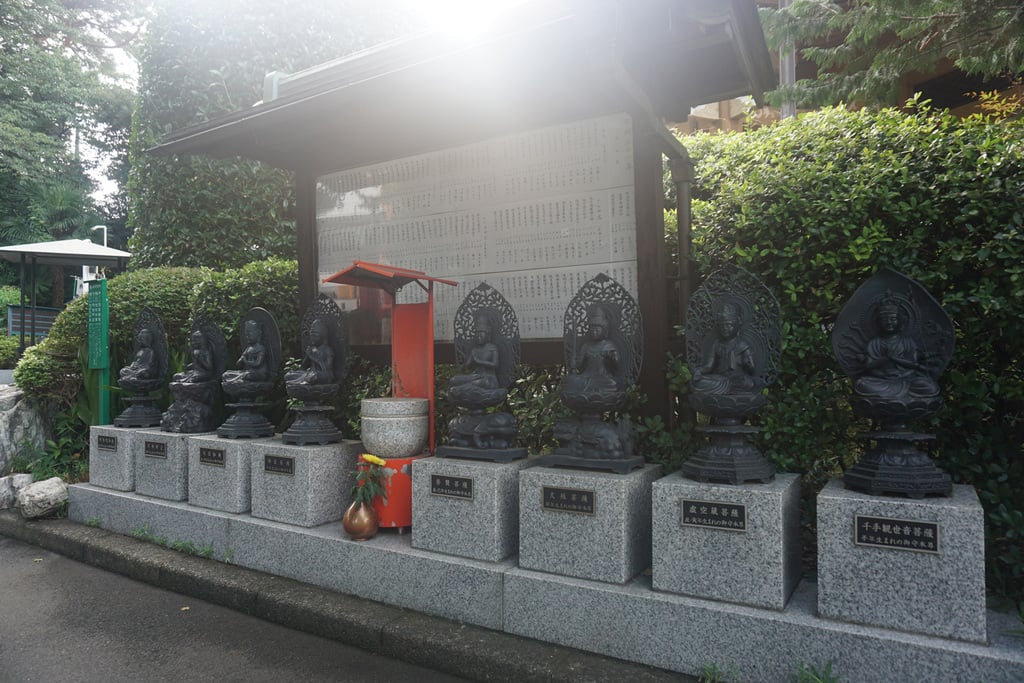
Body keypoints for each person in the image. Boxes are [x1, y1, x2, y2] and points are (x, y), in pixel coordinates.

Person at [854, 296, 938, 399]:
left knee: (929, 386)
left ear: (900, 320)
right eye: (885, 319)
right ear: (878, 322)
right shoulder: (875, 343)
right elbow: (869, 367)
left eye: (893, 319)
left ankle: (893, 397)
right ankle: (895, 397)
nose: (889, 322)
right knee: (862, 384)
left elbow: (914, 364)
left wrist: (895, 360)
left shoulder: (907, 342)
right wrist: (885, 360)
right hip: (882, 380)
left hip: (907, 379)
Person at [691, 302, 759, 396]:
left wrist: (745, 363)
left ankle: (726, 389)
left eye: (729, 325)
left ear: (737, 324)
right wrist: (699, 371)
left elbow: (753, 369)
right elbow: (708, 367)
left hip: (737, 379)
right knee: (699, 382)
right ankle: (725, 389)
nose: (725, 329)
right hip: (720, 379)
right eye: (722, 325)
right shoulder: (716, 344)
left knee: (749, 384)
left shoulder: (742, 345)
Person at [285, 318, 334, 385]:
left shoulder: (327, 350)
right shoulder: (312, 349)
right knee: (288, 375)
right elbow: (303, 367)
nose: (312, 338)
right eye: (311, 335)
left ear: (323, 335)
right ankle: (302, 380)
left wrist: (312, 356)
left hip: (322, 375)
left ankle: (301, 381)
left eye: (315, 335)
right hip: (310, 373)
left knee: (315, 376)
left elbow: (326, 368)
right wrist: (307, 355)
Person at [223, 319, 268, 383]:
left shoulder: (261, 348)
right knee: (226, 374)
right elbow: (238, 364)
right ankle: (232, 379)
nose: (247, 336)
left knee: (246, 375)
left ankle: (233, 380)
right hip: (248, 371)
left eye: (249, 333)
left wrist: (246, 361)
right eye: (246, 334)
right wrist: (240, 360)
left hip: (259, 373)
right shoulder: (248, 348)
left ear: (258, 333)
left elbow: (257, 363)